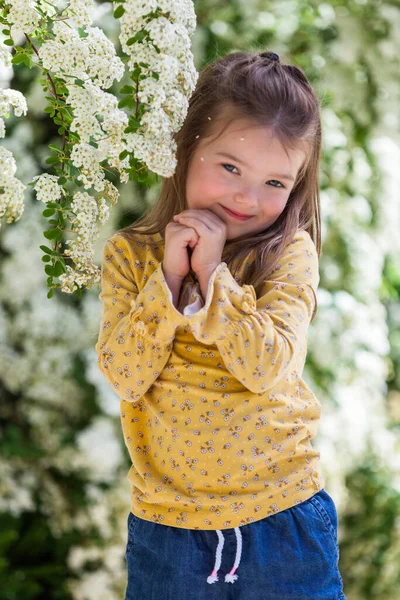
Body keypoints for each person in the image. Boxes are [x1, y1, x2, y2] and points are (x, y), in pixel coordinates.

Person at [95, 50, 346, 600]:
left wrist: (213, 276)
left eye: (275, 183)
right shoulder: (131, 258)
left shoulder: (287, 255)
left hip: (283, 521)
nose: (246, 198)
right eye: (230, 167)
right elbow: (125, 375)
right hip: (169, 531)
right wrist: (168, 278)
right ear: (185, 151)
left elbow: (267, 367)